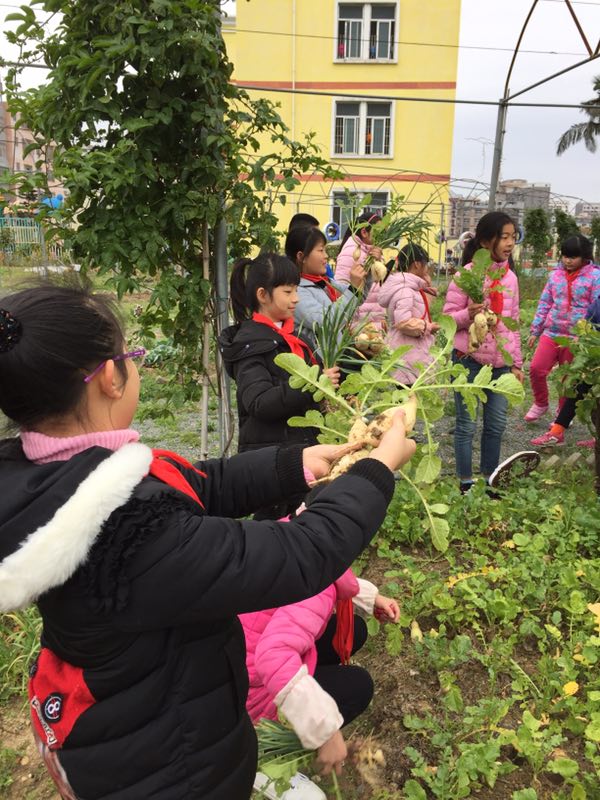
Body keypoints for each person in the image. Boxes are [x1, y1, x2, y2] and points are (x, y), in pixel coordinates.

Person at [0, 281, 416, 800]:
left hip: (131, 718)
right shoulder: (130, 535)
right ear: (110, 377)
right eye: (131, 356)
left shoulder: (57, 476)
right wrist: (377, 469)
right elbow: (302, 555)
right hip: (166, 768)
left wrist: (295, 464)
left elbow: (197, 482)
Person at [242, 486, 400, 799]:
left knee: (353, 630)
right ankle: (264, 757)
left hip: (228, 666)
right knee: (358, 686)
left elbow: (336, 570)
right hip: (248, 704)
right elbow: (273, 657)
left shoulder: (289, 532)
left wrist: (371, 598)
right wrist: (325, 731)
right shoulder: (315, 582)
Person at [218, 253, 340, 517]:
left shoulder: (294, 337)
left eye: (296, 290)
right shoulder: (250, 345)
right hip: (272, 464)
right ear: (263, 295)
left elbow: (312, 388)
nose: (296, 298)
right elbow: (259, 402)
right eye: (288, 291)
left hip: (300, 454)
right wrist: (313, 385)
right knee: (275, 532)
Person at [443, 212, 536, 493]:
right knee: (467, 425)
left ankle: (489, 480)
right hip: (468, 360)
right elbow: (447, 320)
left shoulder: (511, 279)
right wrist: (468, 315)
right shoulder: (466, 275)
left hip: (500, 364)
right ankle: (465, 483)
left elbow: (513, 323)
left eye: (513, 237)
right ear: (485, 242)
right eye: (503, 237)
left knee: (496, 425)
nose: (510, 243)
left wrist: (517, 364)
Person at [525, 234, 600, 424]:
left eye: (573, 257)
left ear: (584, 257)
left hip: (576, 338)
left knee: (567, 379)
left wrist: (586, 335)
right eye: (565, 256)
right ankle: (541, 403)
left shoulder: (595, 277)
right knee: (536, 368)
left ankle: (562, 415)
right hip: (552, 332)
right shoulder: (555, 275)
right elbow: (545, 303)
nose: (568, 260)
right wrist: (535, 330)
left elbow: (596, 307)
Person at [531, 290, 600, 448]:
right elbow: (586, 325)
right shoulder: (597, 303)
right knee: (578, 387)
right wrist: (581, 340)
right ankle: (556, 433)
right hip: (595, 356)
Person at [285, 225, 366, 345]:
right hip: (318, 357)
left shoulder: (326, 282)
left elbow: (359, 297)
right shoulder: (297, 292)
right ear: (301, 256)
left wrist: (368, 268)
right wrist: (353, 288)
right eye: (321, 250)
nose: (326, 256)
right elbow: (327, 323)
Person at [378, 243, 441, 385]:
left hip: (411, 357)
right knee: (410, 397)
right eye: (426, 264)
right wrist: (429, 327)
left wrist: (426, 286)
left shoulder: (409, 287)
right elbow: (403, 323)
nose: (427, 269)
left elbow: (419, 312)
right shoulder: (405, 291)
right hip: (409, 361)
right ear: (417, 265)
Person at [334, 212, 385, 331]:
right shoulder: (350, 252)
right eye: (379, 232)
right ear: (364, 232)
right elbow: (339, 291)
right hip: (358, 326)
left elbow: (380, 285)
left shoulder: (373, 252)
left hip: (372, 323)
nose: (382, 236)